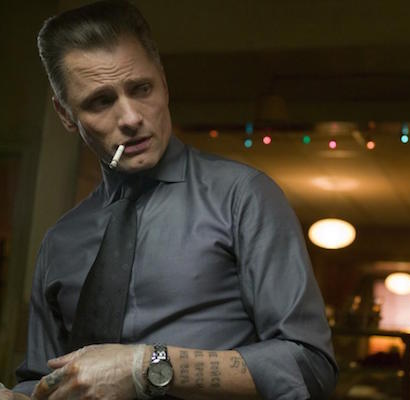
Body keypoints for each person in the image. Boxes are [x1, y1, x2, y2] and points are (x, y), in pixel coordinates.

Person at [3, 1, 337, 399]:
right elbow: (46, 381)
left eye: (141, 89)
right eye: (100, 102)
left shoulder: (243, 197)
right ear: (65, 114)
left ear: (163, 82)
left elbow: (310, 367)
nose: (131, 118)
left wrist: (146, 366)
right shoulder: (60, 241)